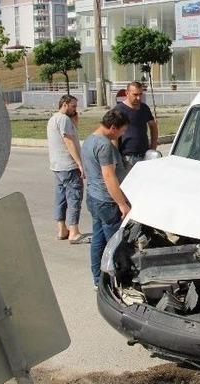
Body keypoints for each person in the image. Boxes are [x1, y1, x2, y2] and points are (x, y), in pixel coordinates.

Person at [82, 109, 131, 289]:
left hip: (94, 198)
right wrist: (121, 203)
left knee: (98, 239)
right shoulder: (104, 145)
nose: (123, 134)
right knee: (115, 244)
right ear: (112, 127)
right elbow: (109, 177)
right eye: (122, 130)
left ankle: (97, 279)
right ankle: (118, 281)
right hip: (106, 202)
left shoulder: (89, 140)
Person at [46, 95, 86, 243]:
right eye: (73, 106)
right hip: (68, 166)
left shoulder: (54, 119)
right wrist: (79, 163)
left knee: (61, 198)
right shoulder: (63, 119)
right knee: (74, 197)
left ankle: (62, 229)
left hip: (57, 166)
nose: (75, 110)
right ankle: (73, 232)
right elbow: (68, 141)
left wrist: (74, 120)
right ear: (64, 104)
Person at [114, 81, 158, 170]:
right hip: (127, 158)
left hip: (145, 155)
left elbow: (153, 126)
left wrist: (153, 148)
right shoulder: (118, 110)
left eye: (140, 94)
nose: (138, 98)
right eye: (135, 94)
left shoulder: (144, 108)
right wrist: (116, 157)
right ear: (127, 93)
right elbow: (113, 135)